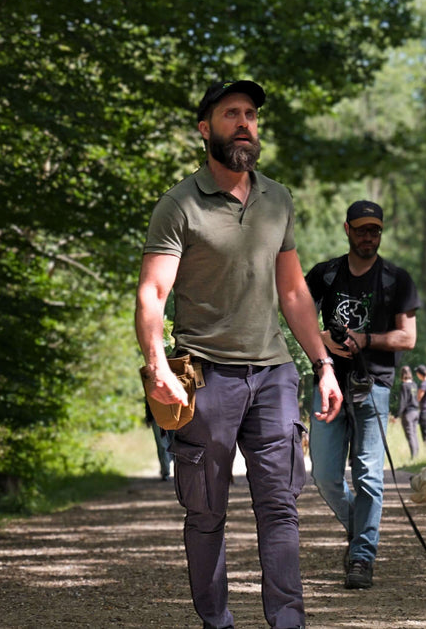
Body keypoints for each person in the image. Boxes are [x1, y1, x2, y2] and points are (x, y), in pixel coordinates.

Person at [135, 79, 342, 629]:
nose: (245, 123)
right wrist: (158, 367)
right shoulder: (179, 205)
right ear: (206, 129)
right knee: (206, 513)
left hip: (273, 374)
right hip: (204, 378)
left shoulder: (278, 199)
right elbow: (153, 293)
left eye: (251, 114)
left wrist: (323, 364)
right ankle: (217, 622)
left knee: (281, 508)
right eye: (232, 114)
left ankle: (289, 622)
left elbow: (294, 292)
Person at [304, 200, 420, 590]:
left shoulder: (396, 279)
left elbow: (408, 337)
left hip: (376, 384)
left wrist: (366, 339)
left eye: (375, 230)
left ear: (381, 232)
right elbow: (297, 314)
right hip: (328, 382)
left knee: (369, 474)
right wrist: (322, 339)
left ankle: (361, 557)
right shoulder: (325, 274)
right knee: (323, 475)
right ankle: (361, 534)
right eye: (361, 229)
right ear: (347, 229)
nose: (368, 237)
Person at [144, 401, 174, 480]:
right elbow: (148, 399)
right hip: (157, 417)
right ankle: (165, 472)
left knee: (174, 444)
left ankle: (176, 471)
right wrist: (148, 417)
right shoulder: (153, 388)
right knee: (162, 446)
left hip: (173, 416)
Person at [397, 365, 421, 459]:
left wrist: (397, 415)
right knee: (414, 434)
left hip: (408, 414)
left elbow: (403, 401)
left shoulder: (404, 386)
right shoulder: (414, 384)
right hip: (416, 412)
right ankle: (416, 454)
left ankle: (413, 456)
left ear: (402, 374)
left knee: (410, 435)